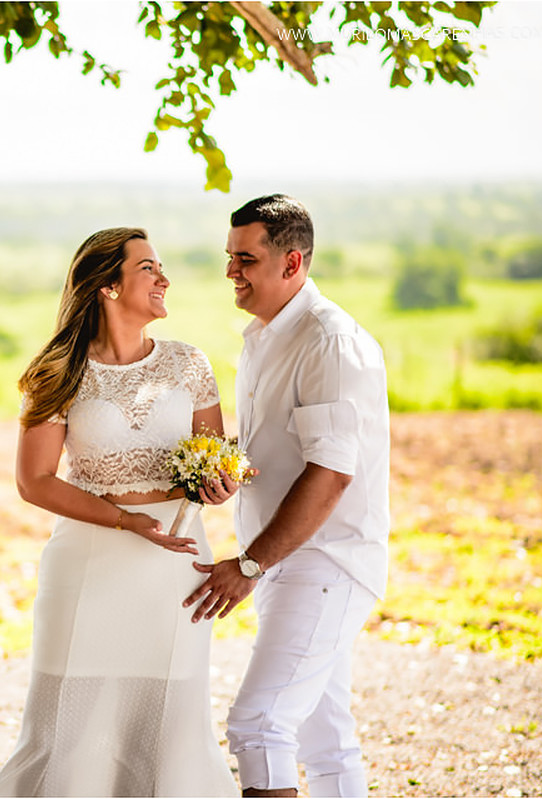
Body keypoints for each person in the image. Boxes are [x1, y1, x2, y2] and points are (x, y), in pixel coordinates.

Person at [0, 227, 239, 797]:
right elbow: (34, 480)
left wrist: (219, 486)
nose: (164, 278)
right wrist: (123, 520)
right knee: (67, 723)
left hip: (176, 566)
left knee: (171, 721)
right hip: (88, 565)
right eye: (148, 268)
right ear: (107, 286)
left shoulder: (188, 364)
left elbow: (212, 464)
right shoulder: (58, 371)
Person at [184, 194, 390, 798]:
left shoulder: (328, 341)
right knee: (328, 740)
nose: (230, 272)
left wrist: (250, 564)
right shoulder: (267, 335)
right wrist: (225, 469)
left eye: (244, 258)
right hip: (284, 558)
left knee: (259, 724)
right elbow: (278, 447)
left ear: (292, 263)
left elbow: (331, 472)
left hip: (323, 561)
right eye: (229, 257)